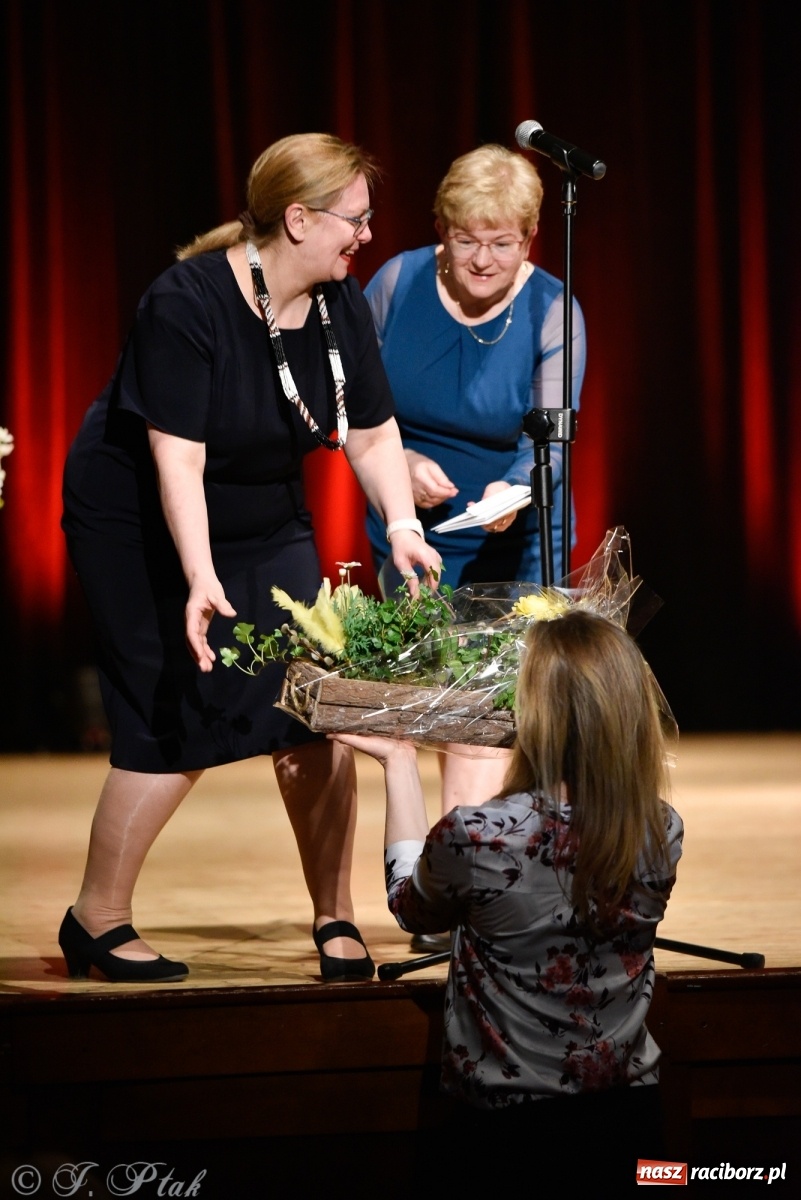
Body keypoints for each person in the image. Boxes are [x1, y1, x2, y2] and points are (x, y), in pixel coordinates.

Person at [59, 132, 441, 985]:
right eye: (356, 219)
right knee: (174, 709)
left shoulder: (337, 303)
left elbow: (372, 431)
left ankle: (334, 914)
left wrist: (401, 523)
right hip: (141, 522)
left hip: (262, 511)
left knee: (312, 700)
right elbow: (177, 459)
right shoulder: (185, 302)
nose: (367, 236)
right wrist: (199, 574)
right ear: (297, 219)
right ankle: (98, 918)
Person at [334, 610, 682, 1180]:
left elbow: (409, 904)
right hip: (633, 1121)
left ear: (533, 716)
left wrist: (398, 760)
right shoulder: (661, 829)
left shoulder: (479, 834)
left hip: (503, 1136)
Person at [363, 144, 588, 870]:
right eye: (466, 241)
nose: (483, 260)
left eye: (500, 243)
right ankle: (439, 879)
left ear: (527, 239)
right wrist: (395, 463)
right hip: (413, 530)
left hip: (512, 531)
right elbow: (351, 404)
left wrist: (514, 487)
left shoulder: (554, 307)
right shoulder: (396, 281)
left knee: (480, 723)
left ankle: (467, 885)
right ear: (441, 230)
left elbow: (551, 441)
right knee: (424, 705)